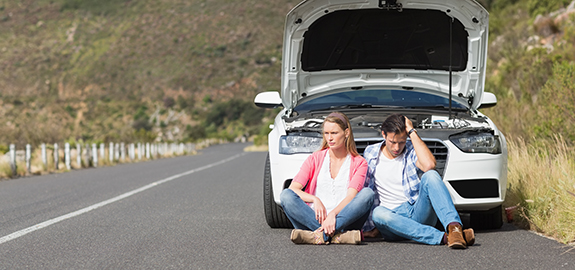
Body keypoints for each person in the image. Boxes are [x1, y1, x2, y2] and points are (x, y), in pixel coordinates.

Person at [363, 114, 475, 249]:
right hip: (391, 219)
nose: (397, 148)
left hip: (415, 210)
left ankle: (454, 229)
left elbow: (429, 165)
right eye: (393, 142)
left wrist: (412, 131)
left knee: (431, 175)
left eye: (402, 141)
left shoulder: (411, 149)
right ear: (383, 135)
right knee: (378, 213)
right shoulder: (371, 152)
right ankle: (444, 238)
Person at [280, 112, 374, 245]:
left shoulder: (359, 162)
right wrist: (314, 199)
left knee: (367, 194)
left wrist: (333, 215)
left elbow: (351, 197)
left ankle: (318, 236)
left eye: (334, 133)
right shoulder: (315, 158)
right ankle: (338, 236)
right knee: (286, 195)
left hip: (344, 219)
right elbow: (294, 189)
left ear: (346, 133)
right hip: (314, 218)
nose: (329, 138)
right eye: (326, 133)